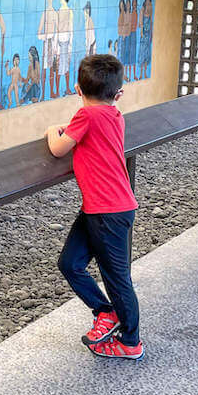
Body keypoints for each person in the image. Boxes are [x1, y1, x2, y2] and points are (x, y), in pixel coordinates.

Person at [44, 54, 142, 360]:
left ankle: (131, 343)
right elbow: (86, 127)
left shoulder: (86, 117)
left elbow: (59, 148)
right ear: (119, 94)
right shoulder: (114, 115)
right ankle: (105, 312)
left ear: (77, 88)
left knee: (117, 279)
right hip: (102, 208)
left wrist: (51, 130)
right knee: (69, 263)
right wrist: (69, 124)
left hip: (108, 213)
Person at [37, 0, 58, 100]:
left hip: (52, 43)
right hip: (46, 43)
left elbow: (57, 30)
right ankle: (43, 94)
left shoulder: (54, 13)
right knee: (45, 68)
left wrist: (55, 45)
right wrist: (43, 36)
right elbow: (39, 32)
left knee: (51, 69)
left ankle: (51, 92)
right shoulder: (44, 13)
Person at [57, 0, 74, 96]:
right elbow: (57, 29)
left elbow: (71, 28)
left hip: (66, 42)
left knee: (66, 67)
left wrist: (71, 45)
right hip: (60, 42)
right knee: (59, 68)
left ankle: (67, 88)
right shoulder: (59, 11)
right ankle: (58, 90)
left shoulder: (69, 11)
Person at [139, 0, 153, 79]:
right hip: (143, 32)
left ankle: (144, 73)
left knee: (147, 53)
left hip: (148, 33)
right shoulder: (143, 6)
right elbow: (141, 20)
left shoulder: (151, 5)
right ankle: (141, 74)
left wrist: (152, 33)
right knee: (142, 52)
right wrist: (141, 31)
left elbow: (151, 20)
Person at [129, 0, 140, 80]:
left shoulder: (137, 13)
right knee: (130, 56)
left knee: (133, 55)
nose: (134, 5)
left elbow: (137, 24)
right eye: (133, 3)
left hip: (134, 34)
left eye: (135, 3)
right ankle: (129, 75)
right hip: (130, 34)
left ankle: (134, 75)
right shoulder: (130, 13)